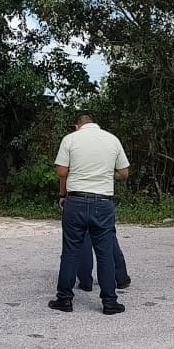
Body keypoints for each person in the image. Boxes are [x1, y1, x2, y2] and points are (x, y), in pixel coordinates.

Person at [49, 113, 129, 316]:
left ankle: (64, 299)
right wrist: (103, 172)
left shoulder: (70, 139)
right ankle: (110, 302)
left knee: (71, 250)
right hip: (103, 202)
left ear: (78, 126)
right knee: (104, 253)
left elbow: (61, 171)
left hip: (76, 201)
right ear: (96, 123)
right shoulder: (112, 139)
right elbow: (124, 172)